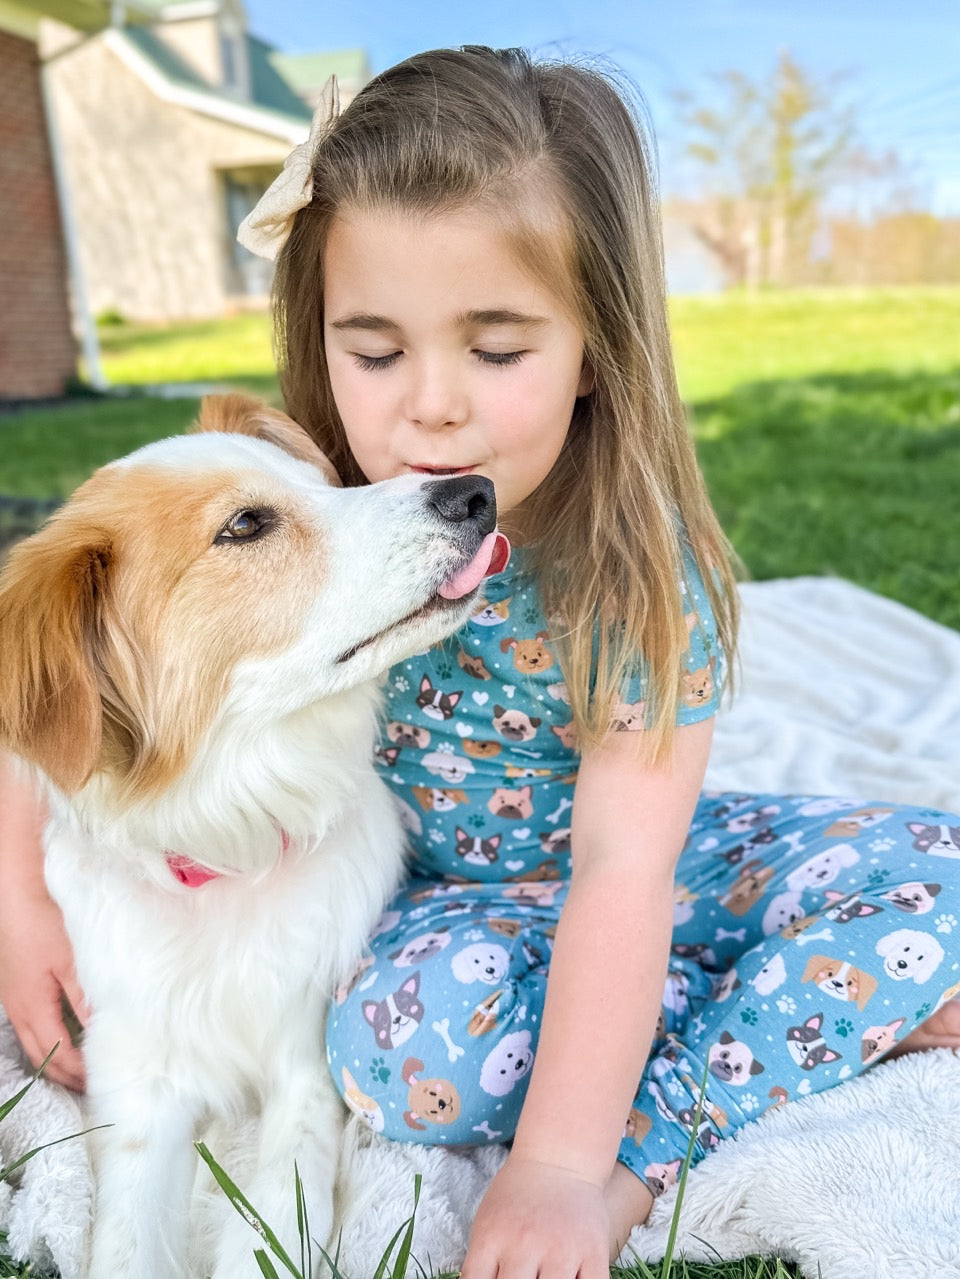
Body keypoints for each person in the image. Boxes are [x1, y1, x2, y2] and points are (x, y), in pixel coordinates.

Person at [2, 43, 959, 1279]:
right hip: (450, 909)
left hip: (640, 864)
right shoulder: (329, 504)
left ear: (595, 350)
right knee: (407, 1058)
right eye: (376, 350)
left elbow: (628, 865)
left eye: (497, 351)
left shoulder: (632, 570)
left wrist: (558, 1173)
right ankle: (772, 1037)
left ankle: (678, 1076)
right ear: (321, 334)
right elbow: (80, 672)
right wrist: (22, 895)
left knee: (934, 874)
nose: (429, 409)